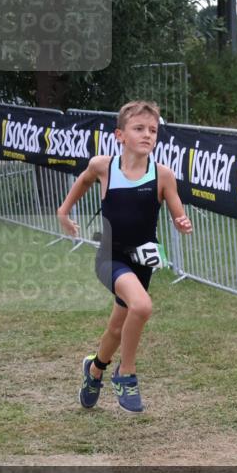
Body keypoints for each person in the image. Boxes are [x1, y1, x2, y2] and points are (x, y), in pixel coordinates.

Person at [57, 100, 192, 413]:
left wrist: (182, 222)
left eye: (153, 130)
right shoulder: (103, 166)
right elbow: (83, 181)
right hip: (110, 257)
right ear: (120, 135)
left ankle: (94, 370)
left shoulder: (163, 175)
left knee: (117, 329)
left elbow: (178, 213)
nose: (147, 135)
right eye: (139, 128)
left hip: (143, 263)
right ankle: (125, 373)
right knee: (142, 306)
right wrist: (64, 212)